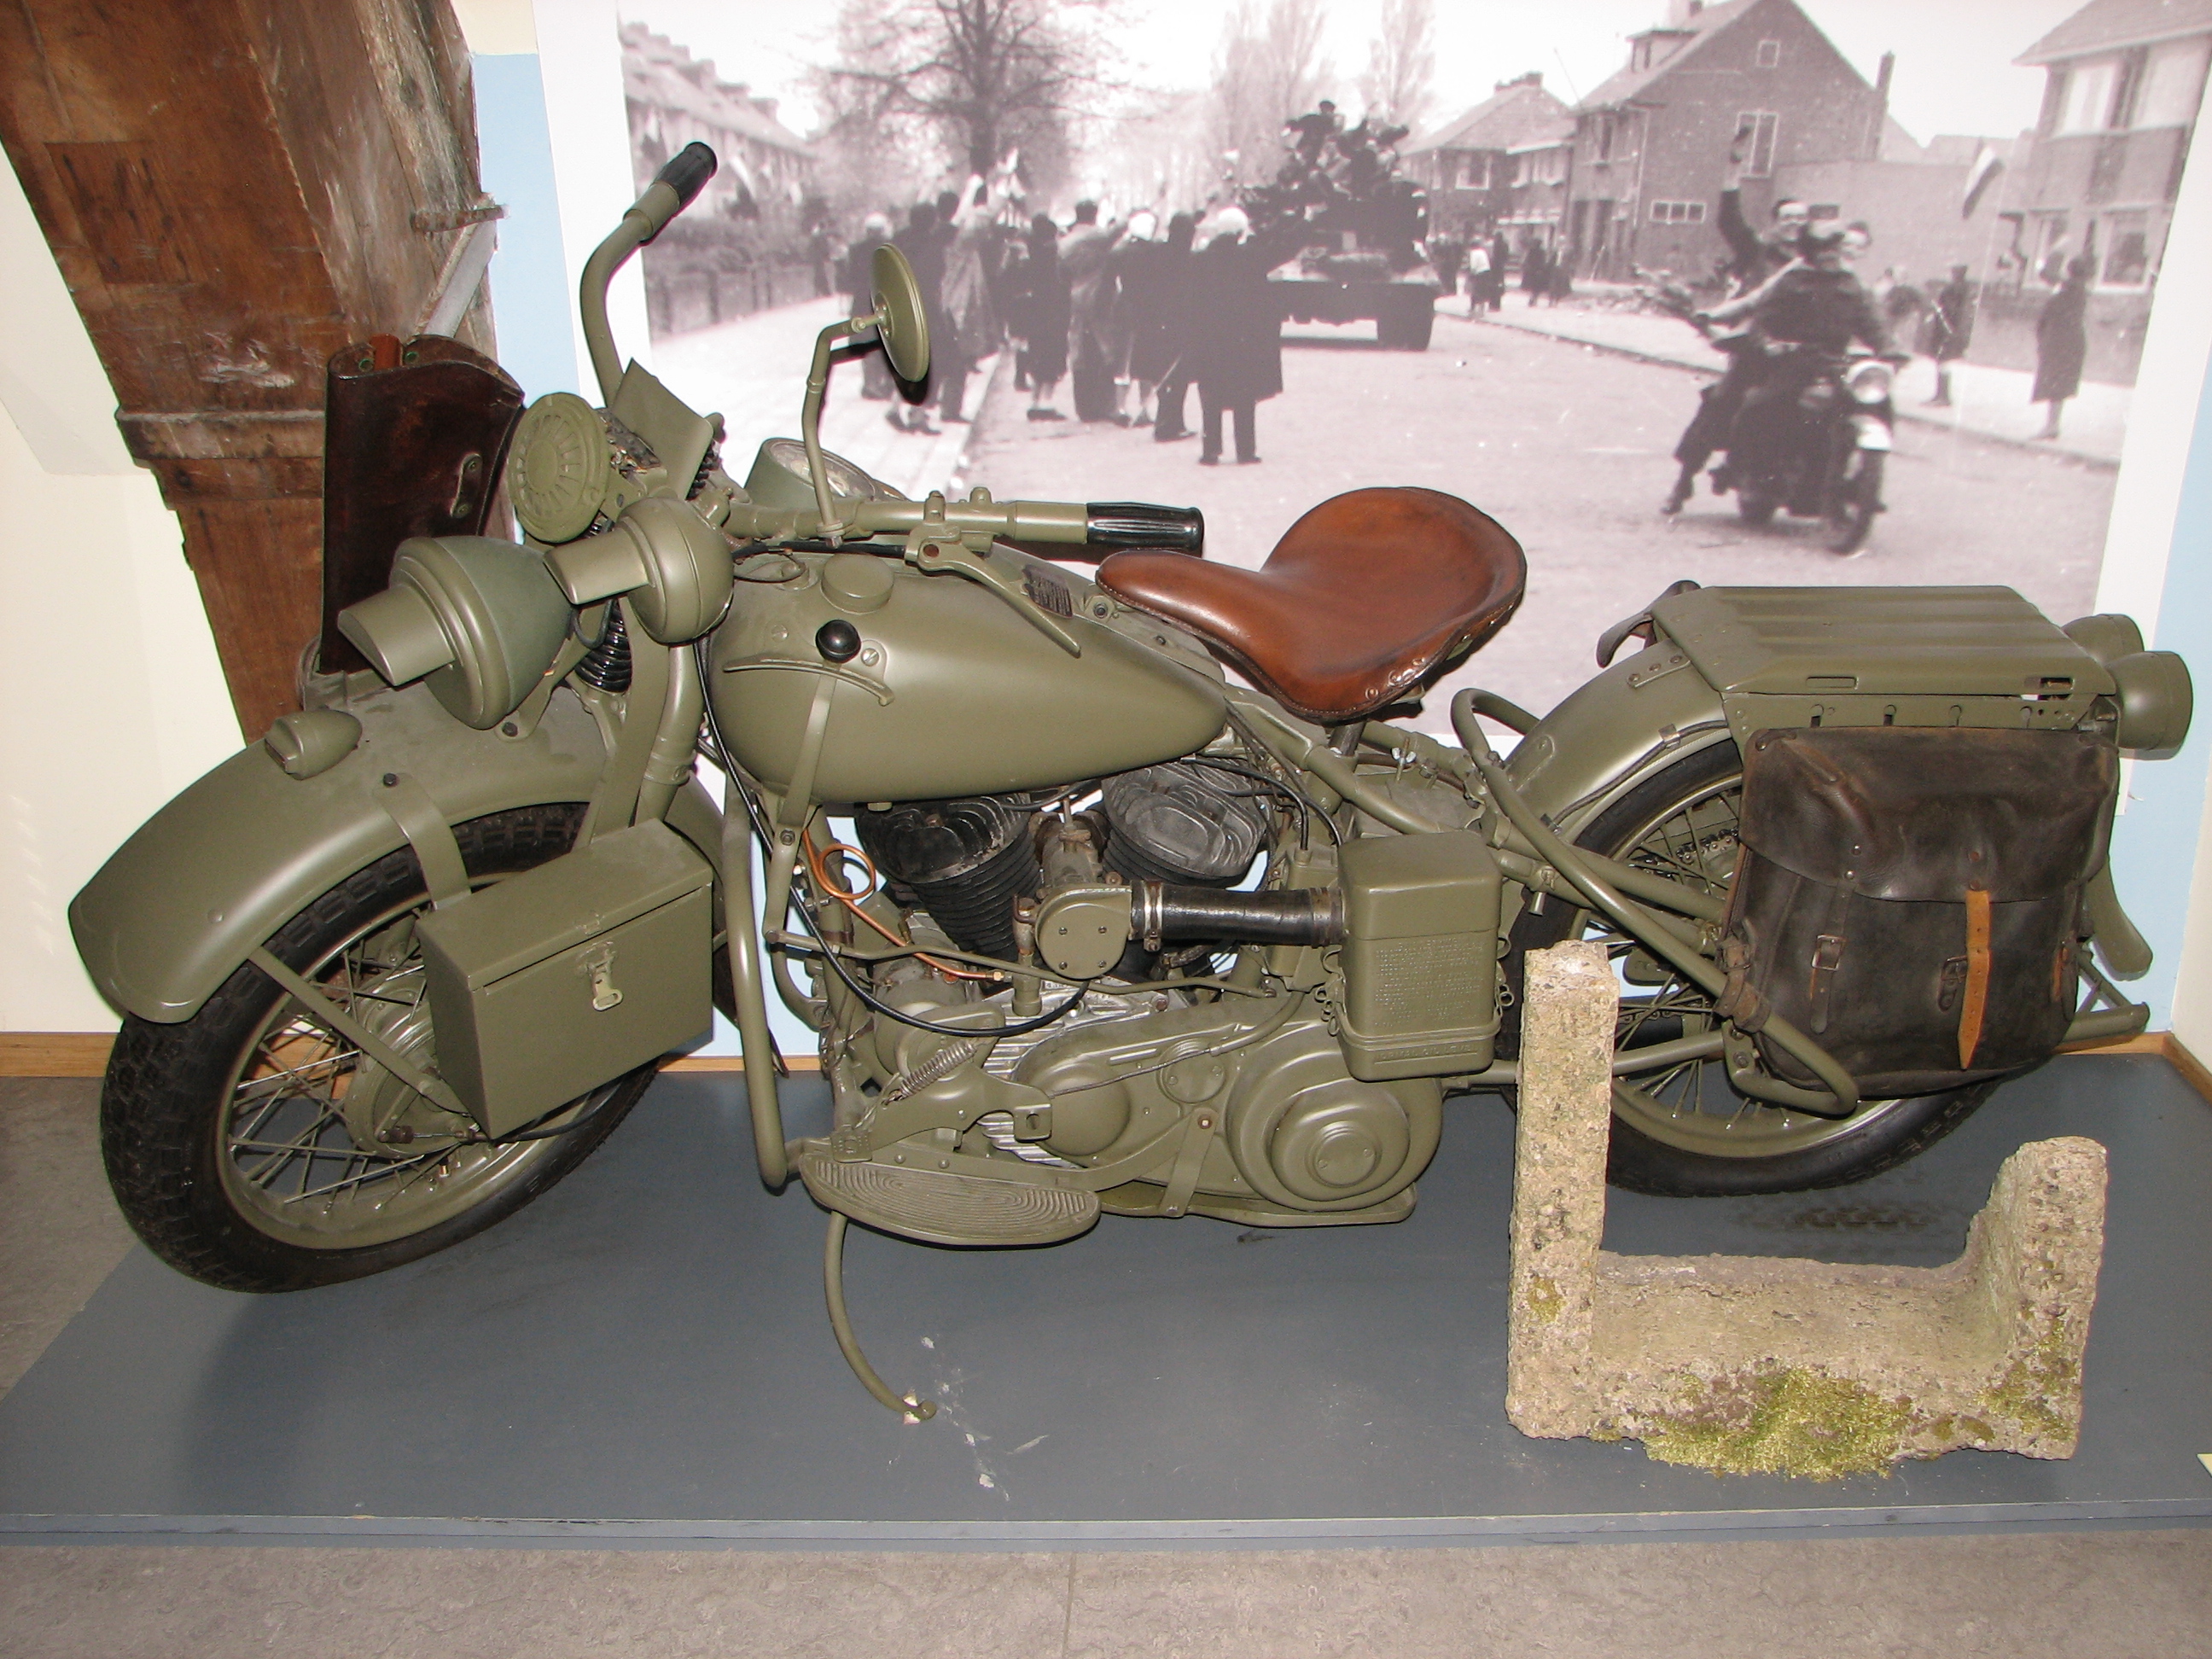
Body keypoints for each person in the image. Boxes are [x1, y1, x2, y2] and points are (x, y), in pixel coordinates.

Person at [1712, 220, 1896, 480]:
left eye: (1835, 248)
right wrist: (1768, 343)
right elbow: (1763, 320)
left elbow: (1873, 322)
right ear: (1811, 252)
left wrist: (1888, 349)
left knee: (1877, 402)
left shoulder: (1853, 286)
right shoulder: (1791, 282)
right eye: (1824, 249)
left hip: (1837, 362)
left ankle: (1864, 476)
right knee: (1758, 406)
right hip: (1795, 359)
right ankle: (1743, 468)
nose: (1831, 255)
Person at [1188, 208, 1281, 466]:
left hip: (1209, 336)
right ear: (1240, 231)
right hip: (1242, 337)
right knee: (1244, 394)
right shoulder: (1250, 258)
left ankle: (1211, 450)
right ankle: (1245, 450)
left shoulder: (1201, 259)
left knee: (1210, 395)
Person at [934, 179, 1000, 425]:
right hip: (958, 304)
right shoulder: (962, 237)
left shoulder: (935, 233)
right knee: (957, 360)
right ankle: (949, 408)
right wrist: (983, 191)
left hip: (934, 299)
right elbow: (985, 218)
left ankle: (924, 406)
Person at [1060, 200, 1126, 423]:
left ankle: (1084, 407)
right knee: (1105, 349)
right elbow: (1118, 230)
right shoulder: (1098, 236)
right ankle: (1105, 405)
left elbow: (1062, 272)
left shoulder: (1065, 242)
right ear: (1094, 214)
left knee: (1079, 352)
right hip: (1100, 296)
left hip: (1076, 296)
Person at [888, 201, 946, 433]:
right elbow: (937, 274)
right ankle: (916, 416)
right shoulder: (932, 243)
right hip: (925, 305)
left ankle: (898, 408)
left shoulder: (899, 239)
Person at [1142, 212, 1199, 439]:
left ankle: (1169, 421)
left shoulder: (1155, 253)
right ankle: (1170, 424)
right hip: (1181, 323)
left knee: (1163, 373)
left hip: (1156, 321)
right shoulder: (1190, 258)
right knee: (1179, 376)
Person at [1014, 212, 1070, 420]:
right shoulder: (1055, 256)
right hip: (1054, 311)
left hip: (1034, 311)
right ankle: (1046, 404)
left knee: (1037, 354)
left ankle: (1035, 402)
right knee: (1054, 356)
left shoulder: (1028, 254)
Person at [2032, 254, 2092, 439]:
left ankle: (2051, 426)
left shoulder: (2067, 291)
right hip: (2072, 341)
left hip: (2058, 341)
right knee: (2060, 385)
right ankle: (2053, 425)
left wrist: (2041, 267)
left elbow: (2048, 311)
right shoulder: (2081, 290)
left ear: (2070, 271)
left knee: (2054, 383)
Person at [844, 212, 896, 401]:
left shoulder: (855, 249)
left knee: (866, 341)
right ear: (882, 231)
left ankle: (869, 383)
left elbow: (850, 275)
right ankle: (879, 383)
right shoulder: (890, 248)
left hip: (862, 300)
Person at [1922, 264, 1976, 407]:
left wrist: (1938, 308)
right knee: (1944, 362)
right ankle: (1941, 395)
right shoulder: (1965, 288)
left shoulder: (1953, 288)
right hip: (1953, 329)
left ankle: (1942, 397)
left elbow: (1949, 310)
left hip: (1946, 330)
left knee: (1943, 362)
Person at [1463, 238, 1491, 317]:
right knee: (1483, 291)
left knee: (1475, 291)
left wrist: (1470, 274)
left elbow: (1473, 266)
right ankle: (1482, 309)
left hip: (1479, 273)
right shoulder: (1482, 251)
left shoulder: (1473, 253)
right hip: (1486, 271)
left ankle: (1473, 308)